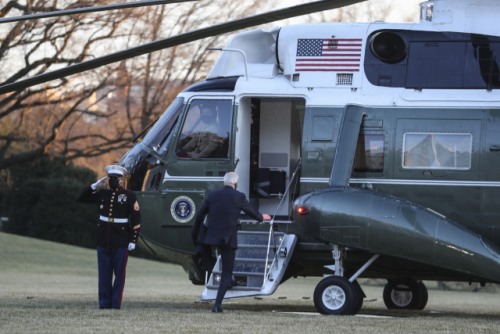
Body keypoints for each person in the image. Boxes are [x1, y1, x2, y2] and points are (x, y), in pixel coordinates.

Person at [191, 172, 271, 313]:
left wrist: (197, 233)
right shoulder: (239, 196)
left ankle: (229, 281)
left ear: (224, 183)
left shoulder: (212, 195)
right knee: (226, 272)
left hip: (211, 238)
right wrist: (261, 217)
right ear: (236, 184)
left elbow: (199, 216)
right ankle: (217, 305)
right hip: (228, 239)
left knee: (218, 267)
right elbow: (252, 213)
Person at [78, 165, 141, 310]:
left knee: (119, 275)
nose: (112, 181)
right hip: (103, 238)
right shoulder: (102, 194)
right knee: (104, 274)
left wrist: (133, 240)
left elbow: (136, 219)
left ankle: (115, 303)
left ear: (121, 180)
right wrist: (94, 186)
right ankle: (104, 303)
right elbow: (81, 197)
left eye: (115, 178)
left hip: (121, 239)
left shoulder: (129, 195)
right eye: (110, 178)